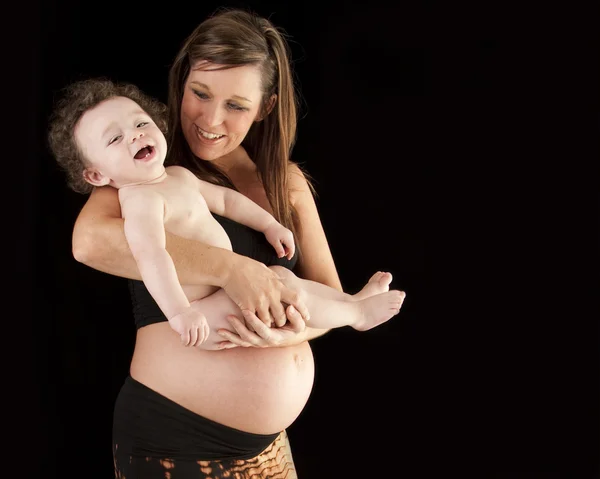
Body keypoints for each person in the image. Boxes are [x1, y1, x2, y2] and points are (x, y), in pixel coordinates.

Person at [56, 7, 407, 478]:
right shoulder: (139, 168)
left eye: (236, 105)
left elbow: (330, 296)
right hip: (173, 439)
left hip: (267, 449)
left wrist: (288, 330)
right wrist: (234, 269)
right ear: (181, 82)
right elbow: (90, 244)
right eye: (199, 93)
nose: (210, 118)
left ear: (265, 107)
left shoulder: (286, 183)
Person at [48, 78, 406, 349]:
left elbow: (225, 201)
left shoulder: (177, 177)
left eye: (140, 124)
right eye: (114, 139)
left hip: (226, 297)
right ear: (97, 176)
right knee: (279, 289)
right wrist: (179, 313)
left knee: (282, 276)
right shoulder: (139, 201)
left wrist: (269, 224)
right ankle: (357, 315)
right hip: (203, 310)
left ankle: (353, 302)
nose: (134, 136)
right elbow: (151, 256)